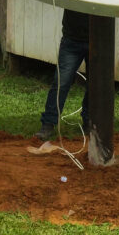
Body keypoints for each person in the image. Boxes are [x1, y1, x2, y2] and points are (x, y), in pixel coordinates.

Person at [35, 9, 91, 141]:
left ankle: (89, 121)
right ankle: (48, 123)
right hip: (72, 39)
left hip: (97, 39)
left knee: (95, 84)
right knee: (61, 82)